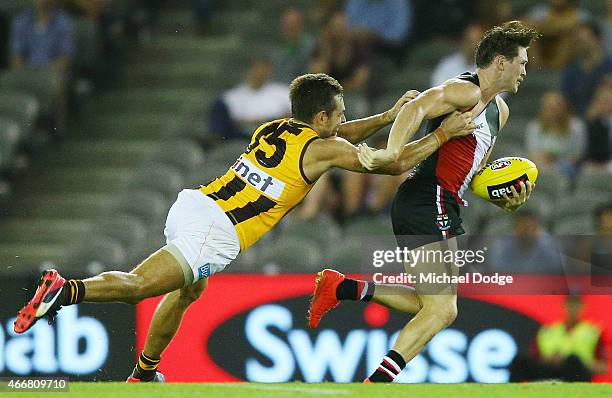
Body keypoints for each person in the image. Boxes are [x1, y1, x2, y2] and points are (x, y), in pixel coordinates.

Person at [13, 73, 475, 383]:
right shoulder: (322, 149)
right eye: (338, 113)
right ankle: (66, 289)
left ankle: (145, 372)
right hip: (218, 229)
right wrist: (440, 135)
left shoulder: (276, 128)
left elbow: (342, 135)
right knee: (139, 287)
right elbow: (387, 163)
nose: (342, 120)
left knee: (188, 291)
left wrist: (390, 117)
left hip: (195, 204)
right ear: (321, 119)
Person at [308, 21, 539, 383]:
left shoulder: (500, 112)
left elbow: (471, 173)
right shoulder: (465, 91)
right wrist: (393, 152)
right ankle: (377, 384)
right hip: (429, 198)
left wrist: (504, 200)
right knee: (443, 309)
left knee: (429, 302)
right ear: (499, 61)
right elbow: (415, 107)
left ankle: (344, 288)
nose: (526, 69)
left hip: (441, 202)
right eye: (521, 61)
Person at [510, 294, 608, 381]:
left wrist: (571, 362)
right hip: (549, 372)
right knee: (520, 360)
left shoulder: (592, 332)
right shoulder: (549, 331)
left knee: (573, 360)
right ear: (564, 306)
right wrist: (549, 360)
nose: (573, 309)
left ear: (583, 307)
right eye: (570, 305)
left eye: (576, 305)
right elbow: (535, 359)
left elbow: (604, 368)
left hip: (576, 374)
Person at [208, 57, 291, 140]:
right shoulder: (232, 96)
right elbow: (231, 123)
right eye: (257, 69)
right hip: (241, 139)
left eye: (265, 69)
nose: (260, 73)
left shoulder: (283, 92)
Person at [526, 90, 586, 177]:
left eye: (556, 107)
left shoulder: (576, 126)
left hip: (567, 166)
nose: (553, 112)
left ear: (564, 108)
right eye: (549, 108)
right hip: (541, 165)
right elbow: (533, 153)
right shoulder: (534, 127)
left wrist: (555, 159)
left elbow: (577, 154)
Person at [10, 0, 75, 75]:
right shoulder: (21, 21)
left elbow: (64, 59)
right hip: (25, 75)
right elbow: (15, 56)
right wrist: (23, 76)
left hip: (52, 77)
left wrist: (43, 77)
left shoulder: (64, 24)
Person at [562, 20, 612, 116]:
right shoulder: (571, 71)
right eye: (578, 41)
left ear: (598, 40)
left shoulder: (610, 66)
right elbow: (566, 101)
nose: (581, 44)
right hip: (578, 121)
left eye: (585, 40)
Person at [272, 8, 315, 84]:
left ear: (302, 25)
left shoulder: (311, 45)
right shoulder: (276, 49)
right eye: (287, 25)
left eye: (294, 25)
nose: (290, 28)